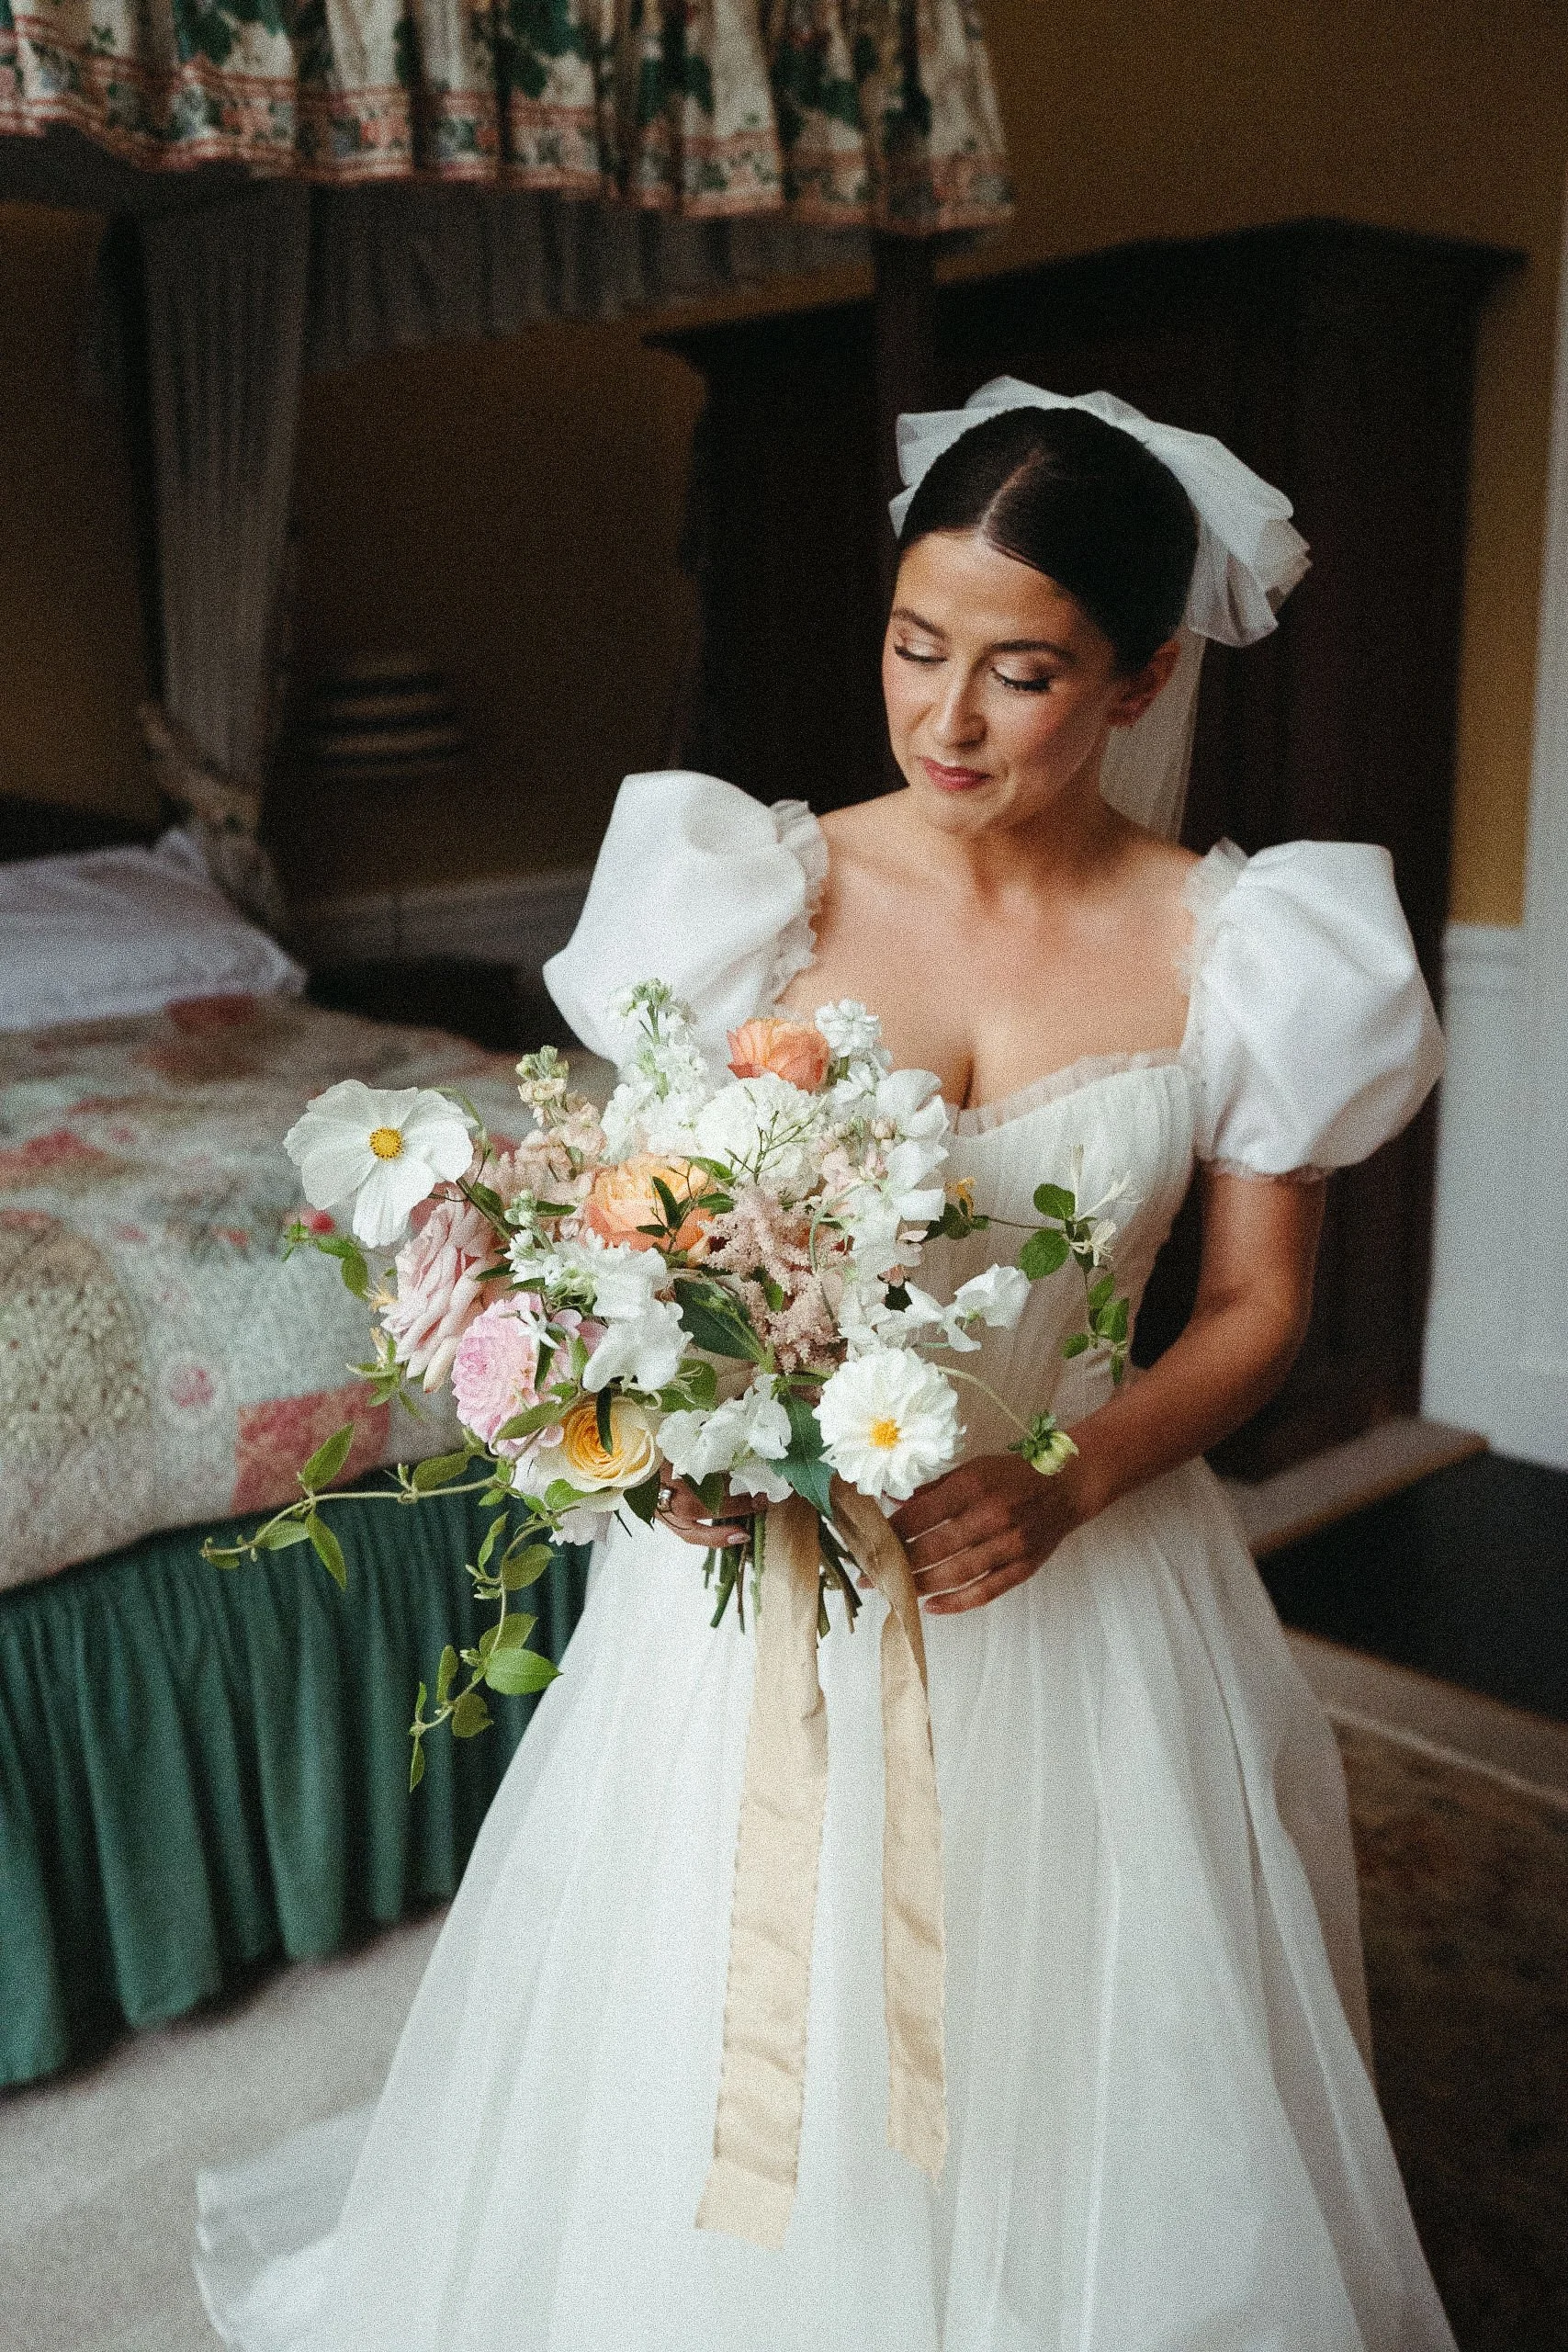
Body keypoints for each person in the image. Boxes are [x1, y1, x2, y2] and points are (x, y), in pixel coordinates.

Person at [196, 383, 1455, 2350]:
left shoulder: (1245, 946)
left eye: (1020, 673)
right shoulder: (747, 893)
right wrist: (655, 1438)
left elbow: (1253, 1311)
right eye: (912, 645)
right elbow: (641, 1238)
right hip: (757, 1584)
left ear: (1139, 679)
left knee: (1081, 2036)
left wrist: (1064, 1482)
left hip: (1067, 1558)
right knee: (712, 2007)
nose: (944, 720)